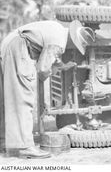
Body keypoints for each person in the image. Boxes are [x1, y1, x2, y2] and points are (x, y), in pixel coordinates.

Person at [0, 20, 95, 158]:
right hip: (19, 49)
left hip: (8, 45)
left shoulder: (57, 29)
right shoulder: (59, 42)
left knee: (8, 98)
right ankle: (24, 146)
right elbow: (43, 69)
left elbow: (49, 55)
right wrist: (49, 72)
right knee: (23, 97)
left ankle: (4, 141)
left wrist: (62, 66)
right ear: (73, 41)